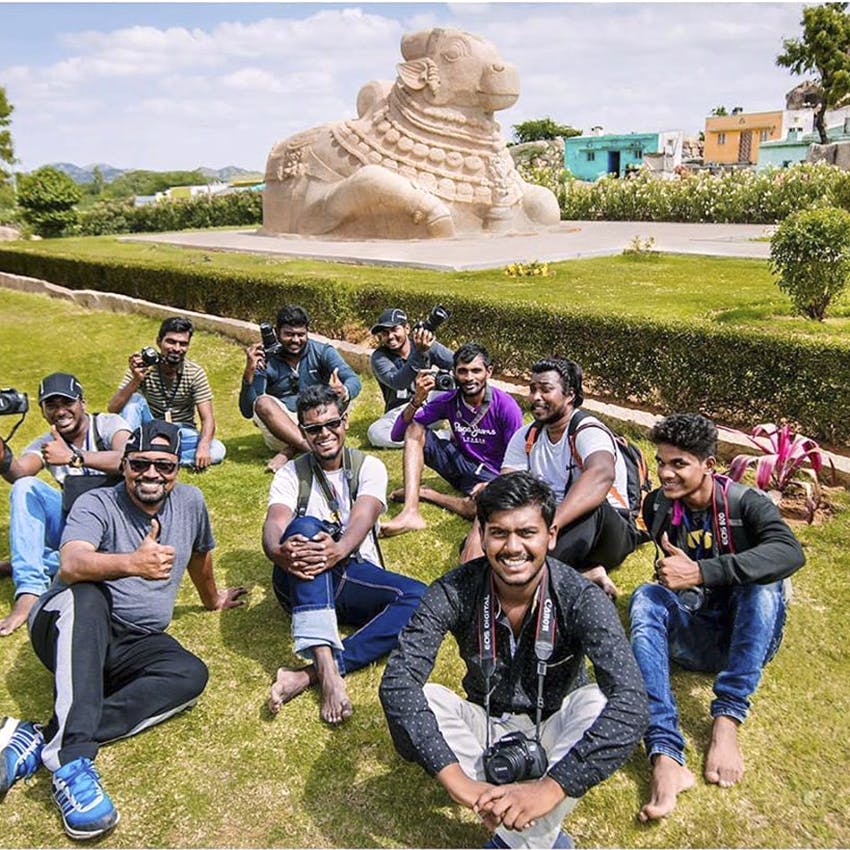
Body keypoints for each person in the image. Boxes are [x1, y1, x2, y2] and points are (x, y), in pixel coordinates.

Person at [0, 420, 246, 840]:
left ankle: (39, 736)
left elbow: (200, 554)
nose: (152, 474)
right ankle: (70, 759)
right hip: (67, 626)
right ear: (125, 465)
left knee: (190, 674)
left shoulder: (190, 501)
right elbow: (72, 564)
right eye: (141, 464)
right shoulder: (97, 502)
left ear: (178, 468)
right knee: (88, 595)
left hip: (134, 641)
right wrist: (132, 562)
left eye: (164, 466)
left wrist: (212, 598)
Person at [379, 471, 648, 849]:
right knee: (428, 697)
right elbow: (399, 681)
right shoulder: (454, 589)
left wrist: (553, 788)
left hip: (554, 730)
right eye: (499, 533)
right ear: (483, 535)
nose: (513, 547)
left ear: (551, 535)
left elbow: (632, 701)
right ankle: (534, 829)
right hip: (484, 728)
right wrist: (460, 784)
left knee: (597, 702)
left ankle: (514, 834)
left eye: (527, 533)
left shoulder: (581, 597)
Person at [628, 413, 805, 822]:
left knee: (763, 582)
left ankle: (726, 720)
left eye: (679, 464)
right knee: (645, 598)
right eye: (661, 462)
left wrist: (703, 571)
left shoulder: (746, 503)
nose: (666, 473)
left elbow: (791, 553)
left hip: (751, 634)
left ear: (709, 465)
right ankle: (665, 753)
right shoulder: (658, 504)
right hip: (699, 629)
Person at [262, 385, 425, 725]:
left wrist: (338, 549)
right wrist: (278, 552)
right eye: (313, 429)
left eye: (331, 424)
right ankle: (327, 669)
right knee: (305, 528)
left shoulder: (370, 467)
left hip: (349, 569)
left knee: (419, 599)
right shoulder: (291, 473)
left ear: (345, 422)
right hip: (296, 578)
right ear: (303, 432)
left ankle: (308, 674)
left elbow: (364, 515)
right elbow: (275, 522)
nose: (324, 434)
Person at [497, 358, 642, 598]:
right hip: (554, 526)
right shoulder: (526, 436)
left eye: (545, 389)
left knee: (591, 503)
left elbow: (601, 474)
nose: (535, 397)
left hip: (608, 531)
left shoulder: (587, 430)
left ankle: (533, 577)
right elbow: (507, 487)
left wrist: (551, 525)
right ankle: (587, 575)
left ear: (570, 395)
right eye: (532, 389)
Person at [0, 372, 131, 636]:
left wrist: (74, 457)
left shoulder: (107, 424)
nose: (60, 411)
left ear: (82, 402)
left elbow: (129, 459)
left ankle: (32, 559)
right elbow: (20, 473)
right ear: (43, 411)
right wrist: (2, 455)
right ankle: (29, 591)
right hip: (74, 529)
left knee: (89, 561)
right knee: (27, 488)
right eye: (51, 405)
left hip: (116, 529)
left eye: (67, 402)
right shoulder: (48, 443)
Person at [380, 342, 523, 537]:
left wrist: (493, 485)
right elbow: (397, 434)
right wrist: (417, 400)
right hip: (458, 465)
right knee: (415, 427)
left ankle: (427, 494)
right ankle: (410, 512)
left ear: (489, 372)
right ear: (454, 372)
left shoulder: (506, 406)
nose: (469, 378)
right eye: (463, 371)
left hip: (490, 475)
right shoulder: (449, 400)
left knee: (481, 510)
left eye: (476, 371)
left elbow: (519, 462)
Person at [239, 304, 362, 472]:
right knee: (263, 402)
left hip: (320, 422)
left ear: (307, 332)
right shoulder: (266, 358)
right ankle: (312, 450)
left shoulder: (322, 351)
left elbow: (353, 379)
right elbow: (248, 410)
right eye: (289, 334)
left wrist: (344, 390)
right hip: (282, 428)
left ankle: (291, 449)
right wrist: (249, 372)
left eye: (300, 334)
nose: (295, 340)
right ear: (276, 332)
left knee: (340, 397)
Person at [107, 316, 225, 470]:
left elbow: (208, 418)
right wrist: (136, 379)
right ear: (159, 342)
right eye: (171, 341)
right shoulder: (144, 367)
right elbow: (113, 408)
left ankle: (152, 459)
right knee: (133, 400)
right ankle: (125, 456)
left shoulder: (195, 373)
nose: (176, 348)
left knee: (217, 450)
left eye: (183, 344)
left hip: (179, 432)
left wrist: (203, 448)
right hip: (149, 428)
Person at [367, 307, 453, 449]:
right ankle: (440, 436)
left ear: (407, 329)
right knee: (375, 433)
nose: (390, 336)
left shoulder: (426, 345)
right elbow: (398, 382)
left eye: (395, 329)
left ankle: (467, 432)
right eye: (384, 333)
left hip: (429, 405)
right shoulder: (379, 357)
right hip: (401, 412)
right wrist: (419, 353)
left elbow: (457, 362)